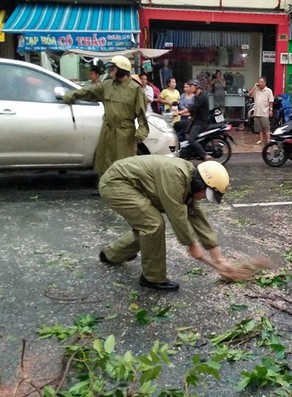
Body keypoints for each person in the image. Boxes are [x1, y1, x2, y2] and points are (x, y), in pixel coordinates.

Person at [98, 156, 244, 290]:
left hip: (131, 185)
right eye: (205, 195)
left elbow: (197, 217)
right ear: (201, 184)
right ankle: (152, 278)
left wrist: (219, 258)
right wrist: (191, 244)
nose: (204, 198)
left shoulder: (190, 179)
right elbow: (177, 215)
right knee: (153, 224)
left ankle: (112, 254)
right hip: (116, 185)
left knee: (147, 227)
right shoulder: (175, 177)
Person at [63, 55, 148, 177]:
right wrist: (70, 95)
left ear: (121, 70)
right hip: (107, 130)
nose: (110, 72)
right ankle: (104, 187)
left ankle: (121, 190)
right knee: (104, 160)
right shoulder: (106, 85)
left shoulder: (135, 89)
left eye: (113, 69)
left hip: (125, 133)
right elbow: (88, 92)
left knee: (123, 164)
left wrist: (141, 132)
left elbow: (141, 113)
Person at [177, 79, 211, 160]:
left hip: (201, 123)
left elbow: (192, 108)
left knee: (190, 139)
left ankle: (204, 155)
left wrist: (180, 112)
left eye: (191, 86)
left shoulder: (202, 97)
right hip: (194, 120)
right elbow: (193, 111)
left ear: (196, 87)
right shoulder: (197, 96)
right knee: (178, 124)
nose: (189, 88)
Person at [248, 76, 274, 145]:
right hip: (257, 112)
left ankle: (268, 139)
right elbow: (249, 94)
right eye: (259, 82)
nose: (260, 83)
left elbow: (271, 101)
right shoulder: (256, 90)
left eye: (262, 82)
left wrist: (271, 110)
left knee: (266, 127)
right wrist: (254, 87)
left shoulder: (268, 91)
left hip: (264, 112)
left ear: (265, 83)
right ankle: (261, 139)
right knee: (259, 128)